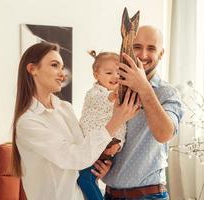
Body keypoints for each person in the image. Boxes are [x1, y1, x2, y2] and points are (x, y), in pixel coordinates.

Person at [11, 42, 140, 200]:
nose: (62, 73)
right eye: (54, 65)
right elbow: (75, 158)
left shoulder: (65, 108)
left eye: (62, 66)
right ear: (33, 69)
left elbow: (85, 150)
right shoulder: (28, 122)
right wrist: (116, 120)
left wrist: (100, 165)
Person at [103, 25, 184, 200]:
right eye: (137, 47)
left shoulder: (168, 93)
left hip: (148, 196)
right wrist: (101, 158)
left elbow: (164, 134)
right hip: (109, 194)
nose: (143, 55)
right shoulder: (111, 88)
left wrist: (144, 88)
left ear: (161, 54)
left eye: (151, 48)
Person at [77, 51, 127, 200]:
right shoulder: (94, 93)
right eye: (109, 72)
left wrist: (119, 144)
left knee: (86, 179)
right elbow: (102, 100)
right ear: (96, 75)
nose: (115, 76)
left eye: (119, 73)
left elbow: (122, 124)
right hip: (93, 144)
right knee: (86, 179)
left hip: (108, 144)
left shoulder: (118, 98)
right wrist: (114, 96)